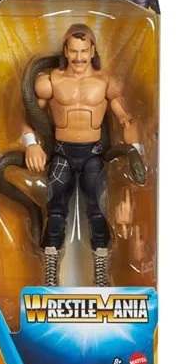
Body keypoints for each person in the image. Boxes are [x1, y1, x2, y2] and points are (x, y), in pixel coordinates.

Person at [22, 23, 144, 287]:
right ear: (65, 50)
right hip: (61, 154)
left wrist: (135, 156)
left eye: (84, 51)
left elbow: (127, 120)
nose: (78, 57)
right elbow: (30, 117)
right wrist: (31, 144)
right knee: (55, 212)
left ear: (92, 50)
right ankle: (50, 274)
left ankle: (101, 274)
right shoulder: (50, 81)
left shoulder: (106, 82)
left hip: (93, 154)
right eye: (74, 51)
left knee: (97, 212)